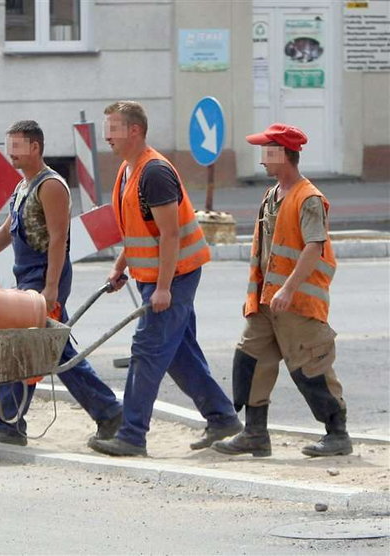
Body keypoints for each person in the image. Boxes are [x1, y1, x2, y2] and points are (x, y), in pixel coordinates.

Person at [0, 120, 124, 447]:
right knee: (46, 349)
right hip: (28, 276)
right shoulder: (23, 187)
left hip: (45, 276)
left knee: (26, 345)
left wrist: (51, 288)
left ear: (35, 147)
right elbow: (6, 231)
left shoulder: (51, 186)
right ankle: (106, 412)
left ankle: (11, 424)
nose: (11, 154)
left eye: (17, 147)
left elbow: (59, 239)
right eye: (9, 147)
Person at [89, 101, 242, 457]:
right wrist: (120, 266)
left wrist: (162, 288)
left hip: (175, 276)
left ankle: (131, 435)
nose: (106, 136)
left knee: (147, 350)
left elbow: (171, 235)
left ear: (135, 131)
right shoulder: (129, 170)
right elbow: (138, 228)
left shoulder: (154, 172)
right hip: (154, 276)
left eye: (113, 128)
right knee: (177, 354)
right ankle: (222, 418)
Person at [212, 123, 352, 458]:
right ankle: (255, 434)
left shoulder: (309, 198)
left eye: (268, 152)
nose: (262, 159)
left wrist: (289, 289)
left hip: (298, 302)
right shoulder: (271, 195)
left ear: (285, 155)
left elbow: (314, 247)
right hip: (265, 302)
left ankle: (338, 434)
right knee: (250, 359)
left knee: (310, 368)